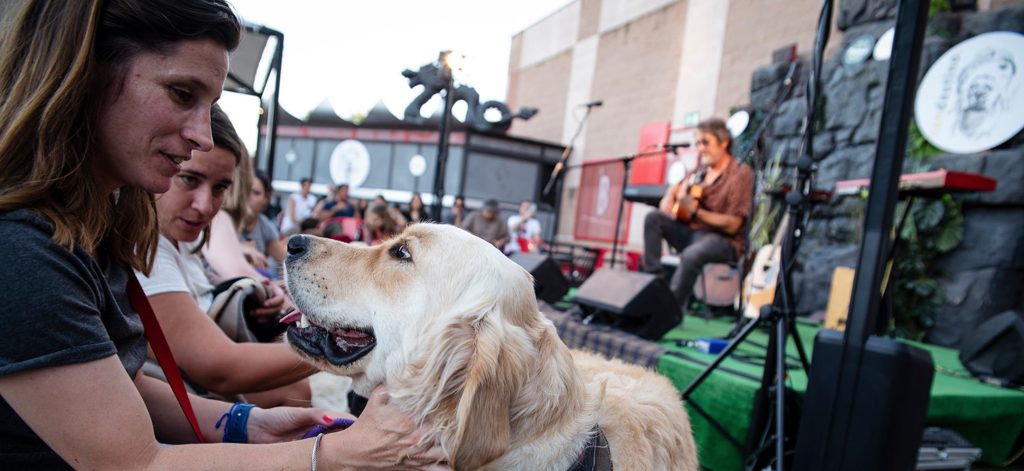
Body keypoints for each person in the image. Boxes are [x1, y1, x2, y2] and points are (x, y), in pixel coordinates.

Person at [0, 1, 445, 468]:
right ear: (83, 73)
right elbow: (135, 463)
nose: (202, 135)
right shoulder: (22, 252)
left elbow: (111, 388)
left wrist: (242, 422)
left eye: (209, 105)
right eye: (181, 93)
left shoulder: (85, 234)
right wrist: (332, 453)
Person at [137, 105, 311, 407]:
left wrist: (254, 292)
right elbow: (220, 369)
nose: (205, 205)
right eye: (189, 179)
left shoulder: (179, 240)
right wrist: (342, 344)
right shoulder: (144, 248)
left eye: (220, 188)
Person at [642, 118, 753, 312]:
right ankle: (655, 287)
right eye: (698, 143)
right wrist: (670, 194)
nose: (701, 149)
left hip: (724, 241)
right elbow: (679, 188)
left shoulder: (740, 174)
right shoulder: (700, 171)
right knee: (653, 218)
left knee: (693, 254)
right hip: (691, 234)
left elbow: (733, 224)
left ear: (724, 141)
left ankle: (668, 312)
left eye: (706, 142)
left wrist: (695, 211)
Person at [240, 169, 287, 278]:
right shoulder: (224, 219)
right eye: (245, 191)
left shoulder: (265, 227)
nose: (248, 197)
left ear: (266, 198)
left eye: (256, 193)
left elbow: (283, 257)